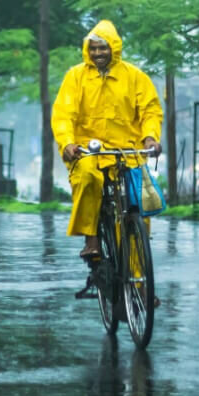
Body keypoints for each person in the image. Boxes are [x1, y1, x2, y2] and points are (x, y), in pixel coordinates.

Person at [51, 19, 163, 259]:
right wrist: (67, 142)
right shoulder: (75, 77)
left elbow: (150, 111)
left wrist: (150, 138)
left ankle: (141, 286)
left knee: (137, 207)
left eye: (103, 48)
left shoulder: (135, 77)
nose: (98, 53)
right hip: (88, 152)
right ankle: (91, 239)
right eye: (93, 48)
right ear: (87, 50)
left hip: (128, 153)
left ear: (114, 48)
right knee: (89, 178)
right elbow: (63, 114)